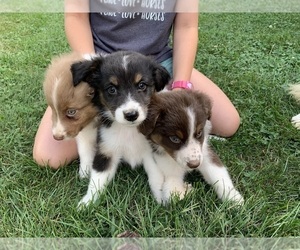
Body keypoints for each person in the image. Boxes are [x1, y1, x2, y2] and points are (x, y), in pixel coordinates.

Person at [33, 0, 240, 169]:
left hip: (154, 63)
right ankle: (118, 138)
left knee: (228, 123)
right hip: (103, 61)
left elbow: (186, 26)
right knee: (49, 157)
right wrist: (93, 70)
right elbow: (76, 16)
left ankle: (125, 138)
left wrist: (180, 85)